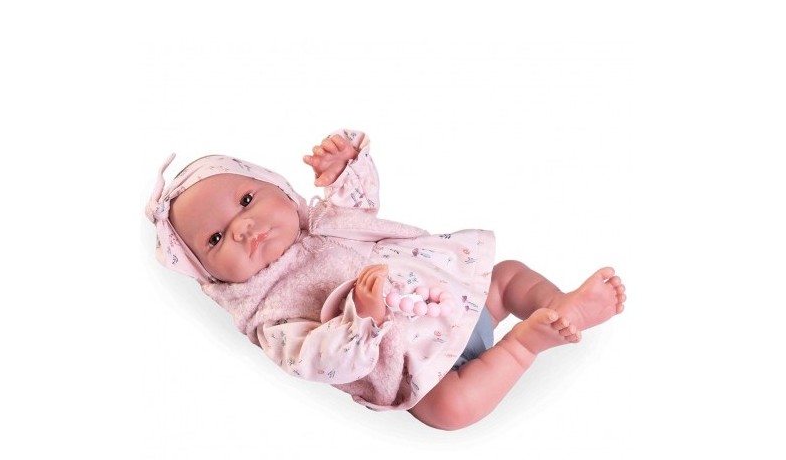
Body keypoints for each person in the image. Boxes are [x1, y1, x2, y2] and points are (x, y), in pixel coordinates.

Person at [146, 129, 625, 430]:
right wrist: (362, 319)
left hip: (457, 302)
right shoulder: (269, 314)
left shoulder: (323, 222)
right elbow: (313, 360)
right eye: (215, 238)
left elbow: (361, 206)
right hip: (423, 374)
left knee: (506, 276)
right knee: (449, 411)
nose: (243, 227)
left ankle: (563, 303)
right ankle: (524, 345)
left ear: (279, 188)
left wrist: (345, 170)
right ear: (211, 278)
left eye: (247, 201)